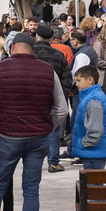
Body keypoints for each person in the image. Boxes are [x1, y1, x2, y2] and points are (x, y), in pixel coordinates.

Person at [0, 33, 69, 211]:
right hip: (38, 138)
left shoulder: (0, 69)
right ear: (32, 49)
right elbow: (62, 109)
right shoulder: (48, 71)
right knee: (31, 189)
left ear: (13, 47)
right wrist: (47, 127)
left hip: (9, 136)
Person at [70, 66, 106, 211]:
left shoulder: (93, 99)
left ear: (90, 80)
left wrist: (81, 144)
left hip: (94, 154)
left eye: (79, 80)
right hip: (95, 153)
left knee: (95, 196)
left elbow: (95, 132)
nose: (76, 84)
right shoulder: (92, 96)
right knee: (96, 194)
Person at [33, 25, 71, 173]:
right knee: (53, 129)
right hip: (52, 96)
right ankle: (53, 162)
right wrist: (61, 96)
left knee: (33, 129)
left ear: (37, 37)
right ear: (51, 39)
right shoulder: (58, 55)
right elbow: (67, 79)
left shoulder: (30, 53)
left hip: (32, 98)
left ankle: (33, 160)